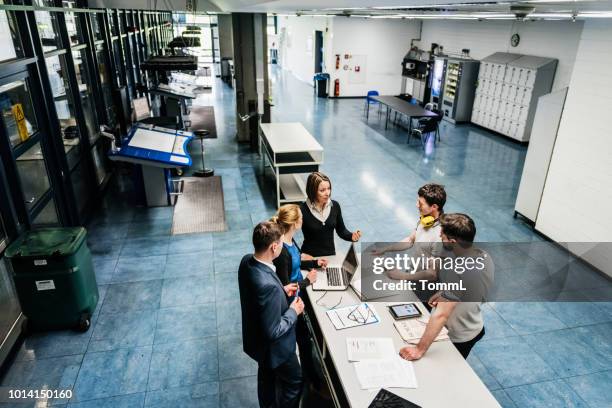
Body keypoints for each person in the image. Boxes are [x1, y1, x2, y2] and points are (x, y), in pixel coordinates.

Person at [399, 213, 493, 361]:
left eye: (442, 236)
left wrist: (418, 349)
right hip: (474, 323)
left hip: (460, 335)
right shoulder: (483, 255)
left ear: (453, 241)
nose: (440, 237)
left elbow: (441, 315)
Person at [238, 221, 305, 408]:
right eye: (282, 244)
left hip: (256, 342)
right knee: (294, 381)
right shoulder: (268, 287)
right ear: (274, 247)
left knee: (267, 380)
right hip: (276, 350)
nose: (282, 247)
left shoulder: (246, 261)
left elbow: (257, 294)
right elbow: (273, 330)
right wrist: (294, 311)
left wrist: (281, 289)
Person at [271, 204, 328, 389]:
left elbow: (298, 260)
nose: (303, 220)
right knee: (303, 340)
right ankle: (311, 381)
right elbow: (285, 287)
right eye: (301, 218)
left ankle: (311, 375)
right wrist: (308, 281)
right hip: (292, 302)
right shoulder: (282, 252)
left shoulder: (290, 240)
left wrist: (314, 262)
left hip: (299, 293)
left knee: (306, 339)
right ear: (295, 223)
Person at [372, 183, 447, 283]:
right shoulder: (425, 219)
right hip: (412, 273)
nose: (417, 205)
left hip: (424, 283)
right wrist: (385, 249)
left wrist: (402, 276)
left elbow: (432, 274)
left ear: (434, 207)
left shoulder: (440, 235)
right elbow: (410, 239)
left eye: (420, 203)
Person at [300, 172, 361, 257]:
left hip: (330, 256)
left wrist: (351, 236)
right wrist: (300, 255)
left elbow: (341, 230)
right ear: (312, 191)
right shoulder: (301, 210)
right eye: (322, 190)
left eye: (329, 188)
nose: (327, 193)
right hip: (310, 258)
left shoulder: (335, 206)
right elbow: (288, 238)